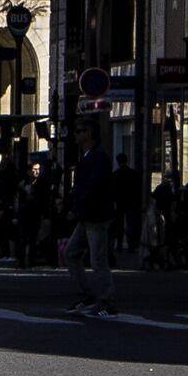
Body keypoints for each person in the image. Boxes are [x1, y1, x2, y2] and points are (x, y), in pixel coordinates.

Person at [63, 123, 119, 317]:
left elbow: (93, 187)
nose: (76, 135)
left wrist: (77, 208)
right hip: (88, 215)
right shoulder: (88, 157)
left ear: (89, 133)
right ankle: (87, 295)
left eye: (79, 131)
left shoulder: (98, 158)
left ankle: (107, 301)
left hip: (96, 215)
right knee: (71, 253)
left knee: (97, 259)